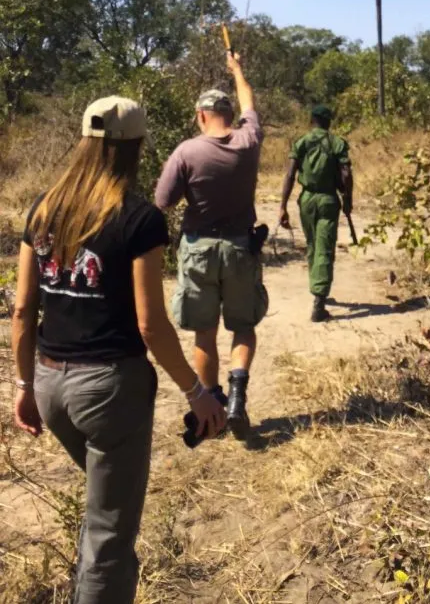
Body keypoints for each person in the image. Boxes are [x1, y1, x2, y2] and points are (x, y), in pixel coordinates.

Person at [11, 96, 225, 604]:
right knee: (111, 533)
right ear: (136, 147)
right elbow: (150, 324)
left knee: (103, 511)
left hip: (49, 383)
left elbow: (23, 310)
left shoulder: (42, 208)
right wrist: (197, 392)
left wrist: (23, 386)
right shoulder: (139, 218)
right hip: (108, 389)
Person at [155, 51, 266, 441]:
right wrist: (237, 68)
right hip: (240, 248)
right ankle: (237, 394)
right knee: (243, 326)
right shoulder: (249, 139)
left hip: (199, 248)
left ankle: (212, 410)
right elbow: (250, 101)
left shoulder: (187, 151)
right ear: (229, 113)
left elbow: (163, 201)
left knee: (204, 332)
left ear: (201, 115)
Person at [279, 104, 353, 322]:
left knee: (313, 244)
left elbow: (290, 175)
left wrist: (282, 206)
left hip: (307, 200)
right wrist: (347, 198)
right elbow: (346, 174)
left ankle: (317, 288)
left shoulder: (302, 142)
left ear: (312, 121)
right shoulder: (336, 143)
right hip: (328, 200)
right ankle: (319, 301)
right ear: (329, 122)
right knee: (324, 247)